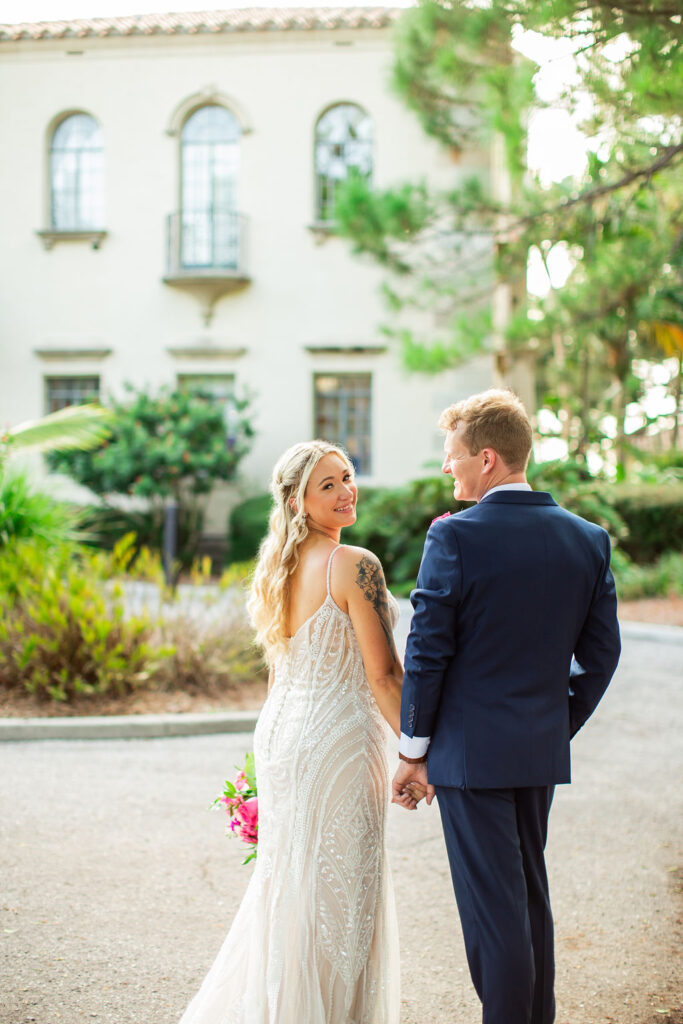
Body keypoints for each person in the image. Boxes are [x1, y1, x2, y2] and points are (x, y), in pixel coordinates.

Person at [392, 388, 621, 1024]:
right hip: (536, 751)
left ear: (487, 459)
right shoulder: (588, 539)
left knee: (495, 916)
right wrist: (552, 723)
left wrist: (414, 750)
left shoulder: (454, 537)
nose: (448, 467)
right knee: (528, 902)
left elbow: (428, 653)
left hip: (469, 758)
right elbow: (601, 658)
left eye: (453, 456)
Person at [180, 440, 405, 1024]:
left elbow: (283, 668)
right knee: (341, 892)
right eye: (327, 485)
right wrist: (419, 749)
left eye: (348, 477)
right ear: (298, 501)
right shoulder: (356, 564)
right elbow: (383, 676)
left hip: (285, 733)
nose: (345, 491)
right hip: (338, 741)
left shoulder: (276, 568)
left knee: (294, 885)